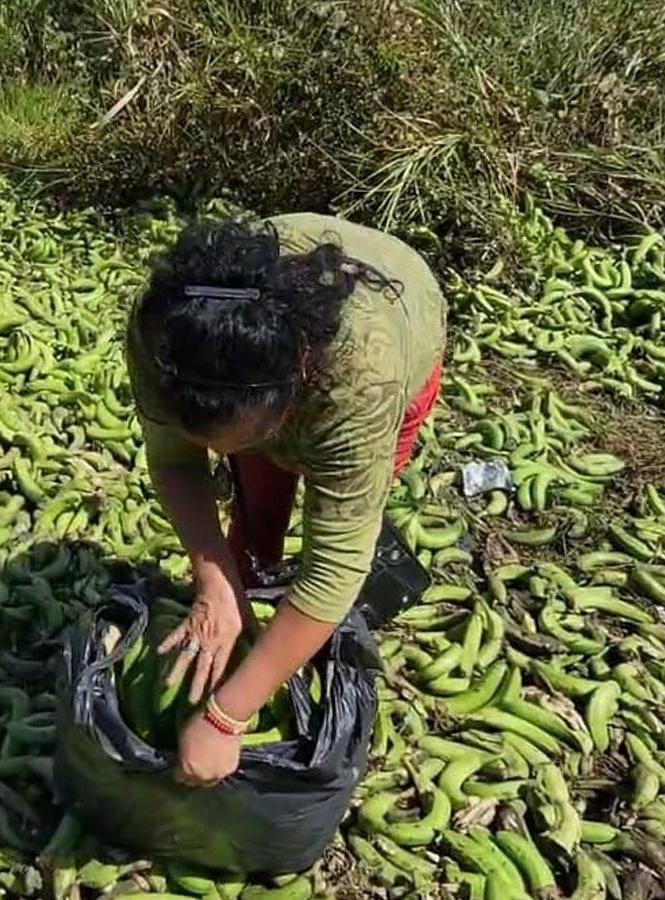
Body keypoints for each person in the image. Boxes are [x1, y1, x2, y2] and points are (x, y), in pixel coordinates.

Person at [125, 214, 446, 787]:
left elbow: (336, 562)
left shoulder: (361, 380)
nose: (218, 454)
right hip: (253, 384)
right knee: (251, 524)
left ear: (292, 387)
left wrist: (226, 717)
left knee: (348, 524)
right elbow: (175, 460)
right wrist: (215, 579)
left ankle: (302, 632)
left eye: (242, 439)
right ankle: (253, 581)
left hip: (402, 321)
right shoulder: (167, 336)